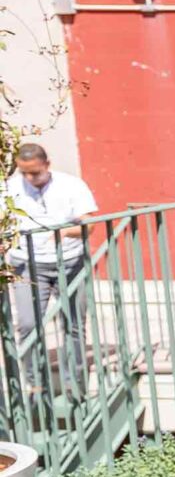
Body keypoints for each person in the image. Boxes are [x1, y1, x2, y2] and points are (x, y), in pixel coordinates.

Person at [4, 140, 98, 388]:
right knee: (27, 324)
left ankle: (73, 384)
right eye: (24, 172)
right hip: (27, 265)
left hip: (69, 263)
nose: (29, 178)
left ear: (47, 165)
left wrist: (66, 232)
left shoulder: (70, 185)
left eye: (35, 172)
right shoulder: (10, 189)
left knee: (73, 324)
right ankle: (36, 384)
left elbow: (90, 224)